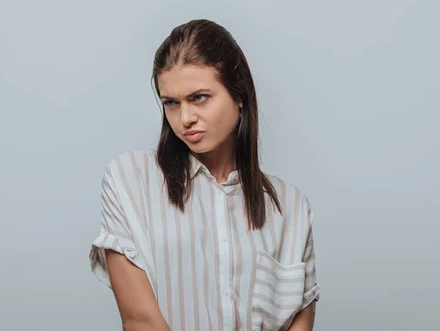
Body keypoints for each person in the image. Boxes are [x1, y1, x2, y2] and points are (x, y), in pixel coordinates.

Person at [89, 19, 320, 331]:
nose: (185, 119)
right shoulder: (129, 180)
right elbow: (140, 321)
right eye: (171, 103)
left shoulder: (290, 207)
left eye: (199, 97)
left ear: (239, 96)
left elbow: (299, 324)